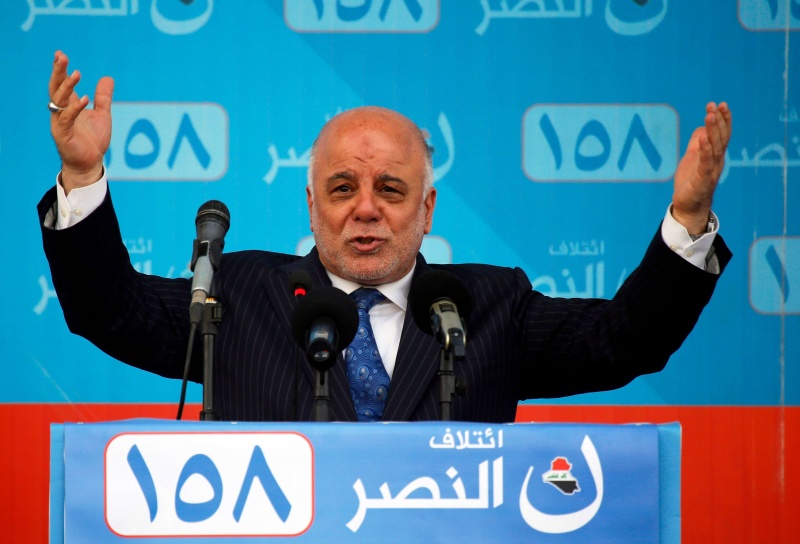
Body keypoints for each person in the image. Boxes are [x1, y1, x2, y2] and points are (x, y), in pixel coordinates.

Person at [39, 51, 732, 423]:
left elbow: (626, 339)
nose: (365, 209)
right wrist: (82, 173)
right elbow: (108, 309)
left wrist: (689, 217)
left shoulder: (491, 305)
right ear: (312, 206)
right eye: (343, 188)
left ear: (427, 210)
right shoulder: (237, 295)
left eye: (391, 190)